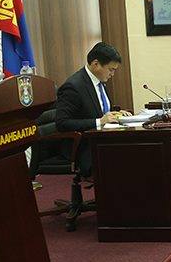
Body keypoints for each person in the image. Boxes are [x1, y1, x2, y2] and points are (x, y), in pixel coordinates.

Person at [53, 42, 131, 177]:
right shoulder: (73, 86)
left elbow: (96, 110)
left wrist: (115, 114)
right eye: (111, 69)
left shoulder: (99, 81)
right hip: (83, 146)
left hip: (100, 139)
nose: (112, 74)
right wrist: (99, 121)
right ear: (96, 64)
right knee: (127, 157)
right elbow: (62, 123)